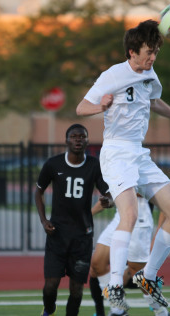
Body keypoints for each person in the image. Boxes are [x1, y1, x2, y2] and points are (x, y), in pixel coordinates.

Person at [76, 19, 170, 312]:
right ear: (132, 51)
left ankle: (147, 278)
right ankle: (115, 286)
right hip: (117, 154)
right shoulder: (112, 75)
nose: (152, 57)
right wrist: (102, 106)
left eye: (156, 52)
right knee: (130, 215)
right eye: (148, 51)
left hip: (138, 154)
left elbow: (155, 102)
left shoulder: (150, 73)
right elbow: (81, 108)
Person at [35, 124, 111, 316]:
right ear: (66, 140)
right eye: (74, 136)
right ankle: (50, 308)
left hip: (82, 237)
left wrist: (108, 201)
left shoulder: (94, 165)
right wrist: (44, 221)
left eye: (82, 136)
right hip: (57, 235)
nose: (78, 139)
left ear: (87, 140)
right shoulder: (53, 164)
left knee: (76, 291)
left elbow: (108, 193)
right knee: (50, 286)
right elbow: (39, 191)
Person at [89, 194, 170, 316]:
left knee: (138, 274)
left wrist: (158, 234)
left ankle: (161, 311)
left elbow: (164, 201)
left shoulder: (146, 175)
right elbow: (114, 195)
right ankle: (118, 310)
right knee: (97, 263)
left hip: (139, 220)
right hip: (120, 217)